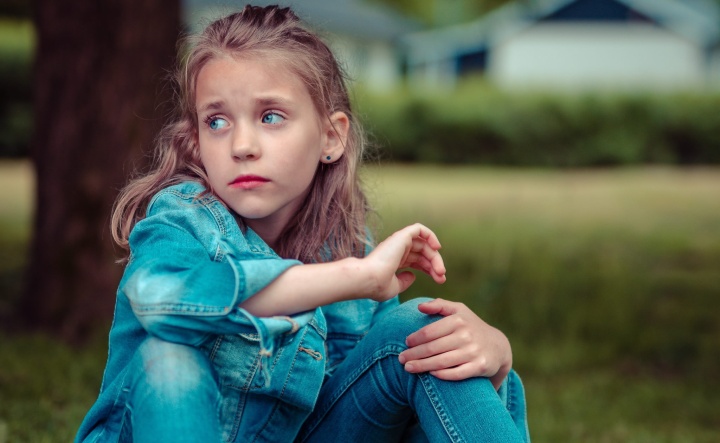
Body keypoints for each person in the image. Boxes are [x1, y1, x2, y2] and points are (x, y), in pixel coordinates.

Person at [75, 5, 529, 443]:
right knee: (168, 358)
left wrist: (497, 354)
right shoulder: (180, 220)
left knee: (431, 340)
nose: (242, 145)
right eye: (217, 121)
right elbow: (160, 302)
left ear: (331, 137)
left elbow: (396, 380)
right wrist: (356, 278)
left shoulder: (345, 245)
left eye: (271, 116)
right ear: (195, 145)